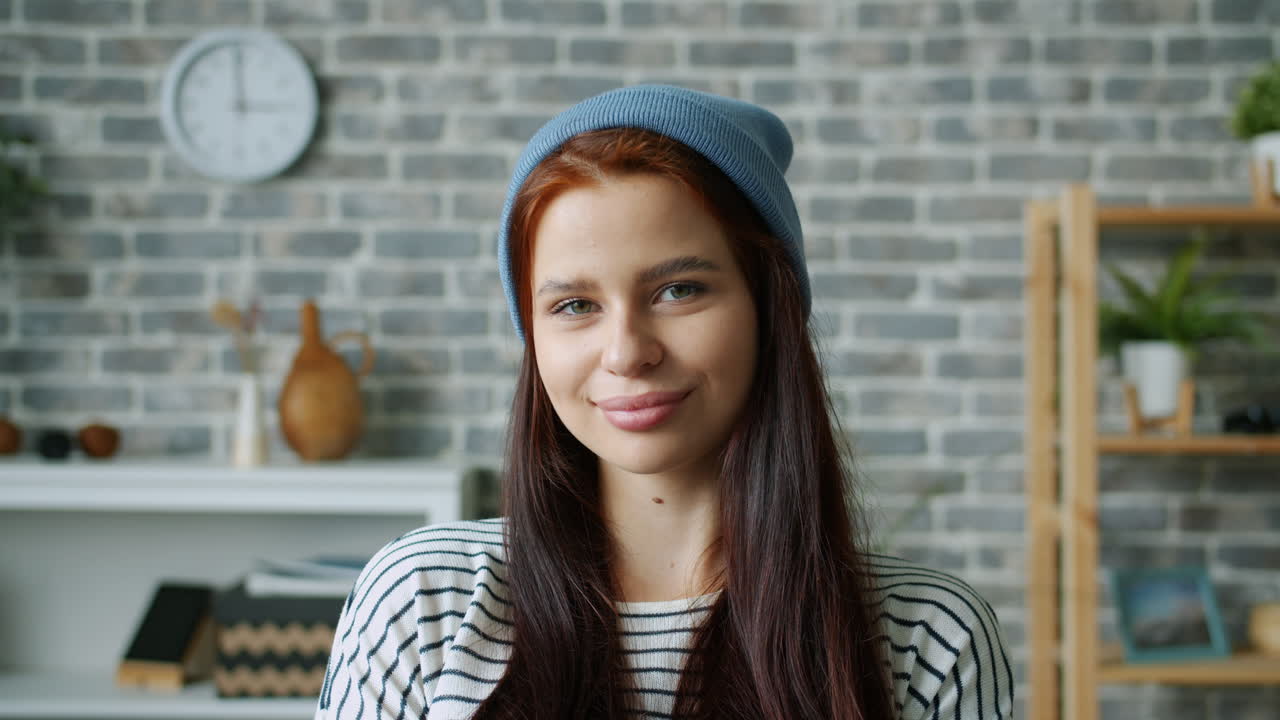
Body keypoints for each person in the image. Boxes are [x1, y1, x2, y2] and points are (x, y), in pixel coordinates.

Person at [316, 85, 1014, 720]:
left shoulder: (928, 638)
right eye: (575, 305)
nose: (626, 352)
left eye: (679, 290)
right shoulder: (424, 603)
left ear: (770, 308)